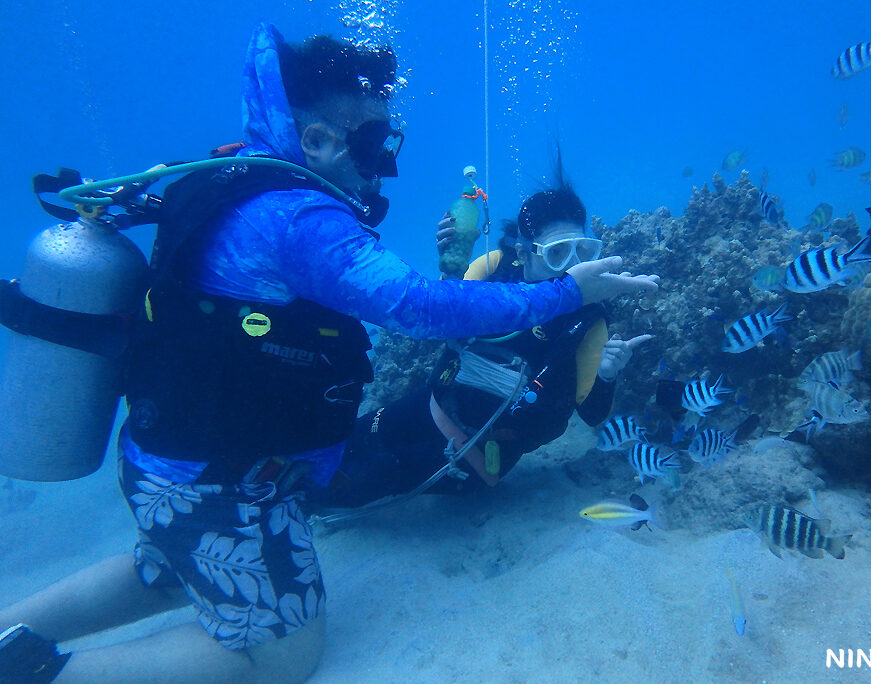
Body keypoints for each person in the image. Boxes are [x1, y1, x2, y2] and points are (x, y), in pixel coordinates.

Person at [0, 23, 658, 684]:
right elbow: (421, 307)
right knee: (283, 656)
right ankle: (36, 671)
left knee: (170, 566)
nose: (385, 164)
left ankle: (7, 628)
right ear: (316, 139)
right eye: (374, 142)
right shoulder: (301, 221)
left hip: (186, 464)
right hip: (218, 477)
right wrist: (567, 293)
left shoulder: (239, 177)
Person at [322, 173, 653, 509]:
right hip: (432, 404)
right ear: (522, 254)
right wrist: (450, 268)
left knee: (349, 485)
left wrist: (609, 373)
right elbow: (446, 321)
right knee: (342, 442)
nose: (572, 267)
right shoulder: (496, 266)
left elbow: (593, 414)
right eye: (557, 254)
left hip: (476, 455)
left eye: (582, 250)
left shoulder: (588, 318)